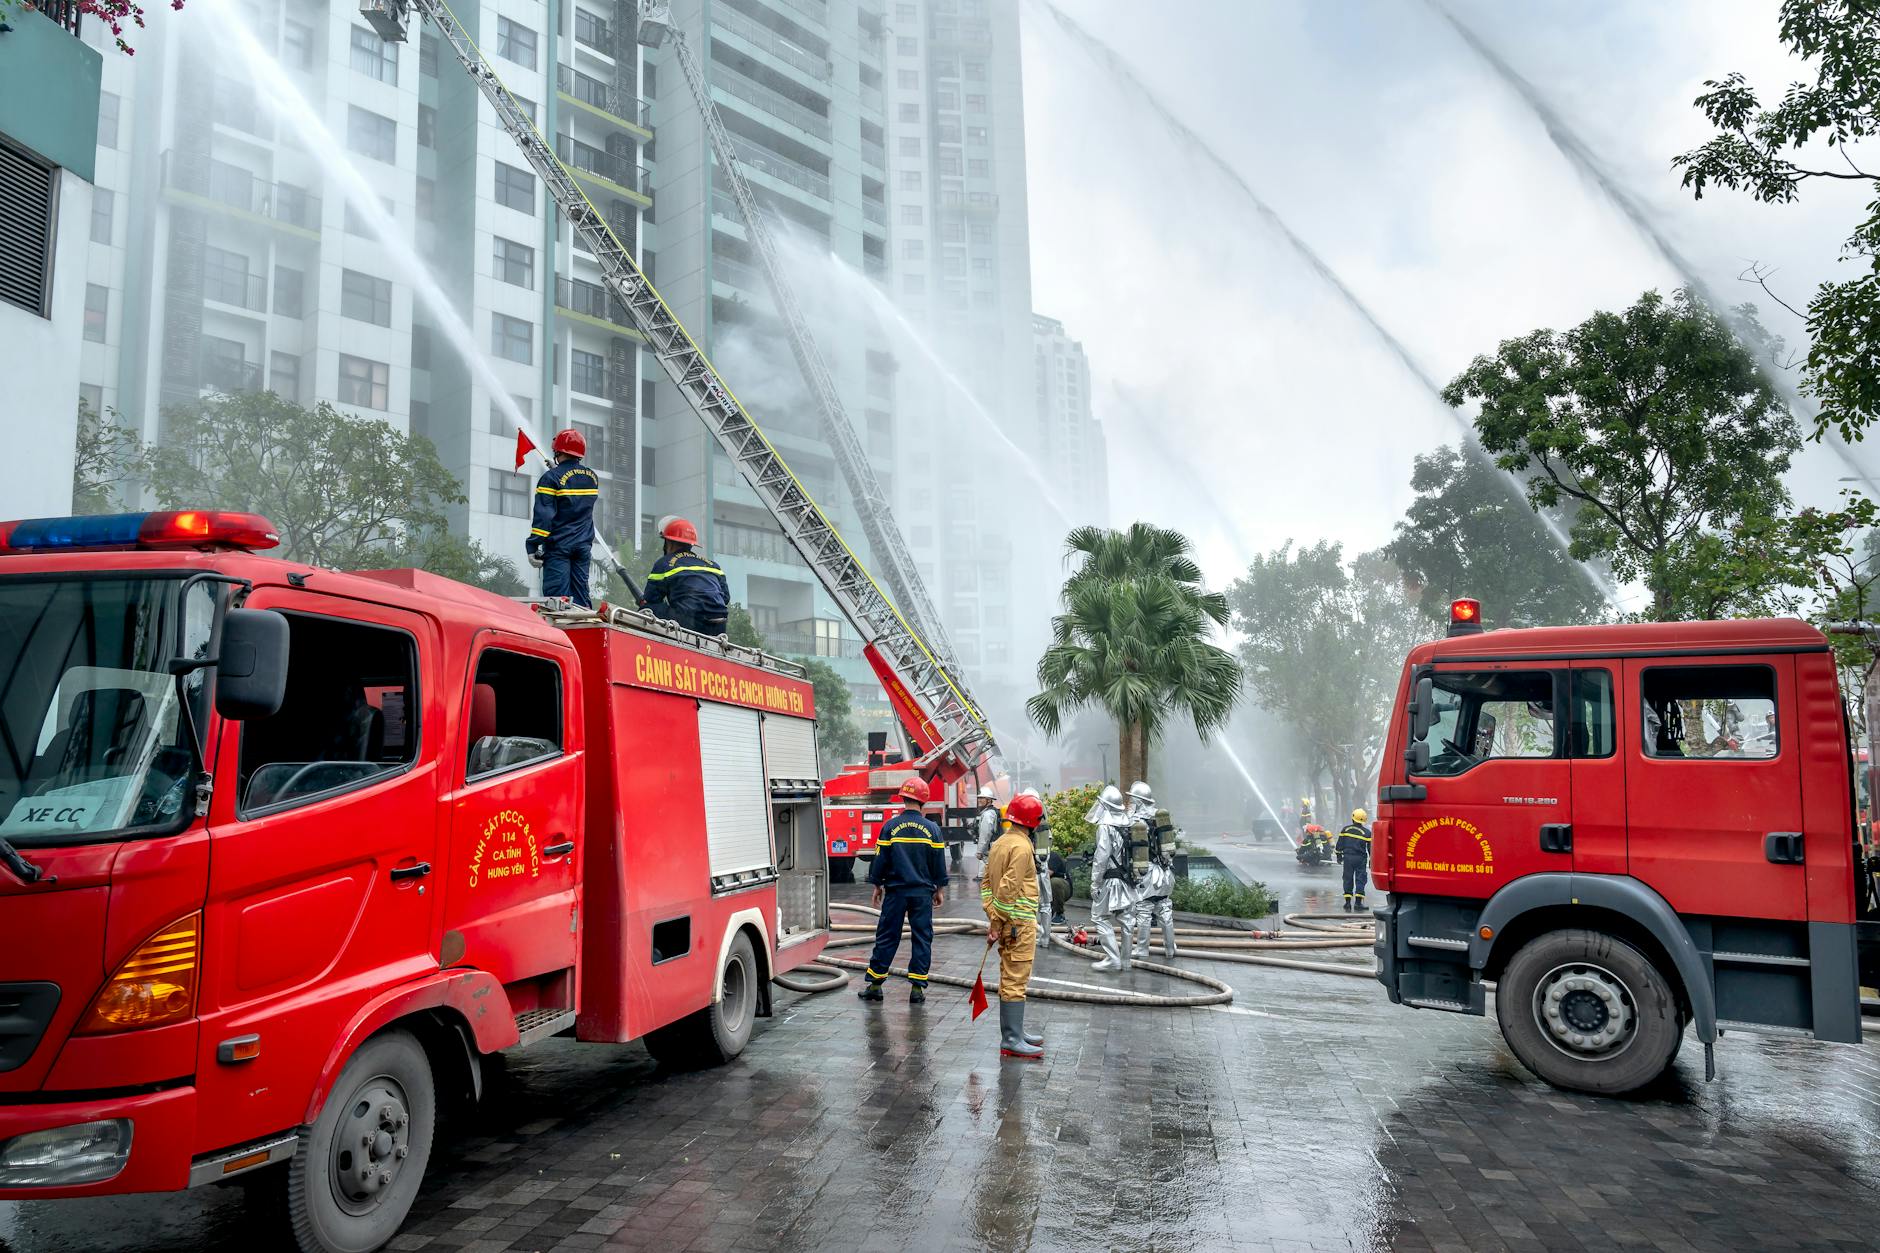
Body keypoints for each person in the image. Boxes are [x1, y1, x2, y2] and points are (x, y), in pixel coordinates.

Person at [860, 777, 949, 1004]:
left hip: (896, 892)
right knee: (922, 937)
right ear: (924, 801)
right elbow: (938, 863)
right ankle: (917, 989)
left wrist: (877, 885)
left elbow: (880, 859)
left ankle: (876, 985)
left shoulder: (890, 827)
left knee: (888, 936)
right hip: (922, 894)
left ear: (903, 798)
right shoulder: (932, 830)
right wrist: (939, 889)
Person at [983, 792, 1046, 1059]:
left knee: (1010, 976)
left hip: (1008, 923)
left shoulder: (1000, 843)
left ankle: (1016, 1031)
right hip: (1018, 923)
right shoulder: (1022, 848)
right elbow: (1008, 888)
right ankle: (1011, 1038)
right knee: (1015, 978)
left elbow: (987, 885)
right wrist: (997, 922)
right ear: (1032, 821)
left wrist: (992, 917)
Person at [526, 428, 601, 608]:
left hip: (559, 547)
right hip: (582, 547)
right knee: (581, 598)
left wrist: (532, 545)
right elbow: (575, 502)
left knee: (557, 601)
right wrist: (560, 472)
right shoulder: (592, 478)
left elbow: (544, 516)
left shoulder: (550, 479)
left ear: (558, 452)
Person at [641, 516, 730, 636]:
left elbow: (651, 598)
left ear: (668, 542)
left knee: (647, 608)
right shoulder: (713, 566)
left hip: (689, 622)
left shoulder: (665, 563)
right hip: (719, 625)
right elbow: (725, 598)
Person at [1088, 784, 1137, 973]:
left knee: (1099, 917)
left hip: (1110, 879)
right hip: (1128, 879)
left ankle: (1113, 959)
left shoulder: (1105, 826)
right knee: (1126, 919)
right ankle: (1126, 961)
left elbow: (1101, 857)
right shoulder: (1129, 823)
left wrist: (1095, 883)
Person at [1132, 800, 1178, 961]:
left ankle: (1142, 949)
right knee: (1165, 910)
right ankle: (1170, 948)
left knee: (1144, 910)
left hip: (1148, 872)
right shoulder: (1160, 818)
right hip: (1164, 872)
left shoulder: (1137, 822)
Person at [1337, 807, 1373, 912]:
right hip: (1360, 859)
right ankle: (1358, 903)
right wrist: (1372, 860)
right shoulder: (1367, 833)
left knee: (1347, 878)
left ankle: (1347, 903)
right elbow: (1370, 848)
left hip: (1348, 858)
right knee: (1360, 879)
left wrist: (1339, 856)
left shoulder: (1345, 829)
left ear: (1353, 818)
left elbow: (1340, 844)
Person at [968, 786, 999, 882]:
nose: (979, 800)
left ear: (989, 800)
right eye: (979, 798)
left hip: (989, 849)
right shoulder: (988, 812)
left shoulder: (988, 814)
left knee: (988, 879)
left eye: (982, 798)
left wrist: (979, 851)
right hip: (990, 848)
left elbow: (985, 834)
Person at [1046, 848, 1072, 925]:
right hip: (1046, 889)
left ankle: (1059, 913)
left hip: (1063, 887)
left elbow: (1046, 875)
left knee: (1054, 882)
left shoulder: (1052, 856)